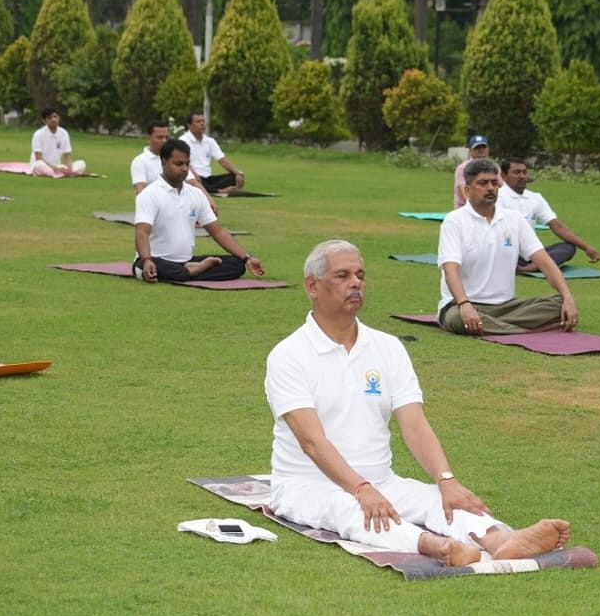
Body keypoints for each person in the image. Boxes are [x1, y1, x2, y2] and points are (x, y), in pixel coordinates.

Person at [264, 238, 571, 567]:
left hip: (382, 479)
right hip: (307, 486)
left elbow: (414, 424)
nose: (355, 283)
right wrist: (361, 488)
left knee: (436, 498)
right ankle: (437, 547)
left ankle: (501, 540)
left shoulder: (387, 347)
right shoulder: (290, 355)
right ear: (312, 285)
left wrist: (446, 480)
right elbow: (312, 441)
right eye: (342, 276)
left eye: (360, 275)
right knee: (350, 511)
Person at [437, 158, 578, 335]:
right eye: (482, 183)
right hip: (461, 304)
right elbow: (450, 271)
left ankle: (496, 326)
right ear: (467, 189)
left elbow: (544, 261)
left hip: (507, 306)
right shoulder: (454, 221)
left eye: (494, 183)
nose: (490, 188)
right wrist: (464, 304)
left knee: (559, 304)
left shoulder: (514, 219)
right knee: (457, 319)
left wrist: (567, 297)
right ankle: (519, 330)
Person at [133, 139, 262, 282]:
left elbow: (218, 232)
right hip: (156, 260)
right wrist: (146, 260)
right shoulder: (149, 194)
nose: (184, 168)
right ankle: (193, 270)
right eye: (178, 164)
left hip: (188, 260)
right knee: (156, 268)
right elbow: (142, 232)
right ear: (163, 162)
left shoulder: (196, 194)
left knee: (237, 264)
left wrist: (246, 257)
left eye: (187, 164)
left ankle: (190, 270)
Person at [497, 157, 600, 271]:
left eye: (524, 172)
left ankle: (529, 268)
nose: (522, 176)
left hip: (532, 253)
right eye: (517, 172)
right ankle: (535, 266)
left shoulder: (535, 197)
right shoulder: (498, 197)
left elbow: (557, 226)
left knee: (568, 248)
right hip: (508, 251)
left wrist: (587, 248)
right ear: (503, 176)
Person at [180, 111, 244, 194]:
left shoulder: (210, 141)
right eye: (198, 121)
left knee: (234, 177)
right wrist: (194, 175)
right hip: (193, 176)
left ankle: (210, 189)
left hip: (209, 178)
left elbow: (222, 160)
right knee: (193, 181)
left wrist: (238, 174)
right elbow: (184, 163)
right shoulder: (183, 141)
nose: (202, 124)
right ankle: (219, 191)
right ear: (189, 125)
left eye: (203, 121)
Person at [30, 107, 84, 177]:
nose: (53, 120)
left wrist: (70, 169)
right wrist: (54, 168)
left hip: (57, 166)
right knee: (38, 165)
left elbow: (67, 156)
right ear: (44, 121)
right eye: (50, 118)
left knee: (82, 163)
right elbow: (38, 158)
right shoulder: (38, 134)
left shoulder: (64, 133)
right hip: (43, 165)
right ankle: (58, 174)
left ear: (59, 118)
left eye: (55, 117)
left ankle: (60, 173)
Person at [451, 134, 490, 208]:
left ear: (488, 149)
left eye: (483, 147)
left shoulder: (493, 168)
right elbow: (465, 195)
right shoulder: (462, 168)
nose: (481, 150)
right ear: (470, 150)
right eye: (477, 148)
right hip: (465, 209)